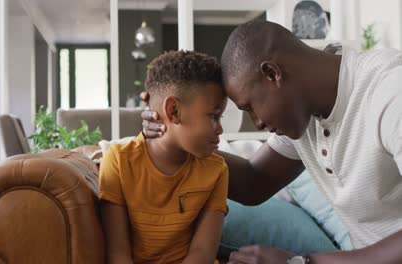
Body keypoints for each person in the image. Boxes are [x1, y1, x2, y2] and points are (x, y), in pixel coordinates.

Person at [141, 20, 402, 264]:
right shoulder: (306, 113)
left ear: (272, 73)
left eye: (250, 107)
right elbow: (255, 182)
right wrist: (175, 141)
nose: (258, 123)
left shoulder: (390, 91)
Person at [99, 50, 229, 264]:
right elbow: (118, 254)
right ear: (174, 111)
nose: (220, 129)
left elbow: (202, 253)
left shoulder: (216, 170)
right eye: (214, 116)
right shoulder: (119, 162)